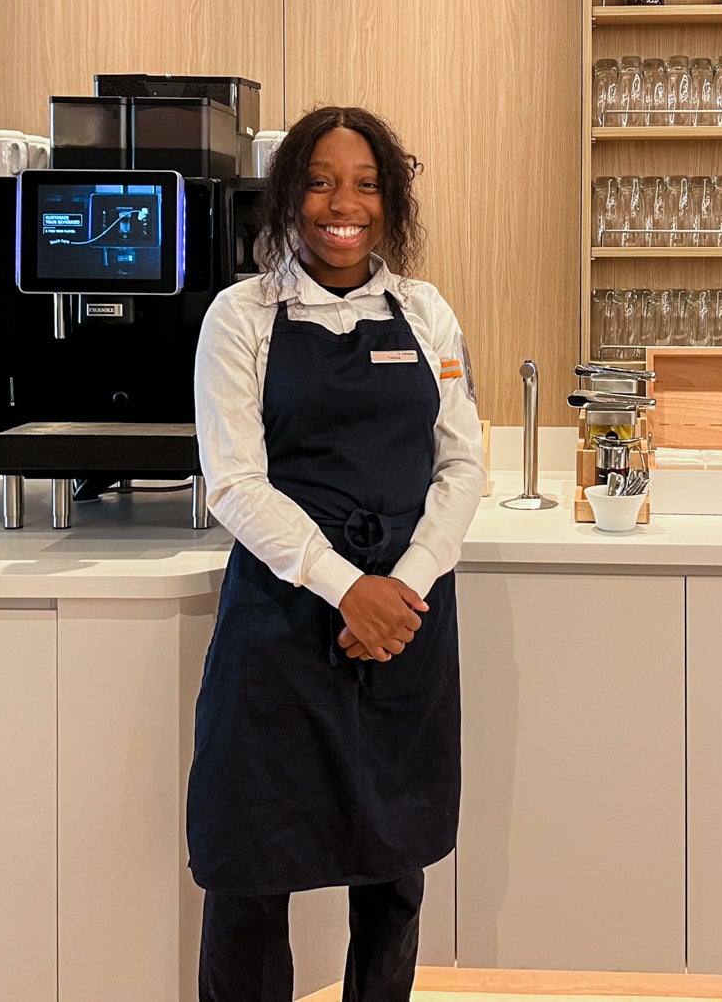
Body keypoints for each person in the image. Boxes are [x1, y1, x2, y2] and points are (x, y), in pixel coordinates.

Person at [187, 106, 485, 1002]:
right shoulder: (240, 317)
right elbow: (235, 483)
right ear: (287, 196)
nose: (340, 203)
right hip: (282, 619)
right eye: (318, 180)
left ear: (390, 202)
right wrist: (348, 588)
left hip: (407, 618)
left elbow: (463, 461)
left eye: (364, 183)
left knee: (392, 868)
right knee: (248, 869)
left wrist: (404, 587)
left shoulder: (426, 312)